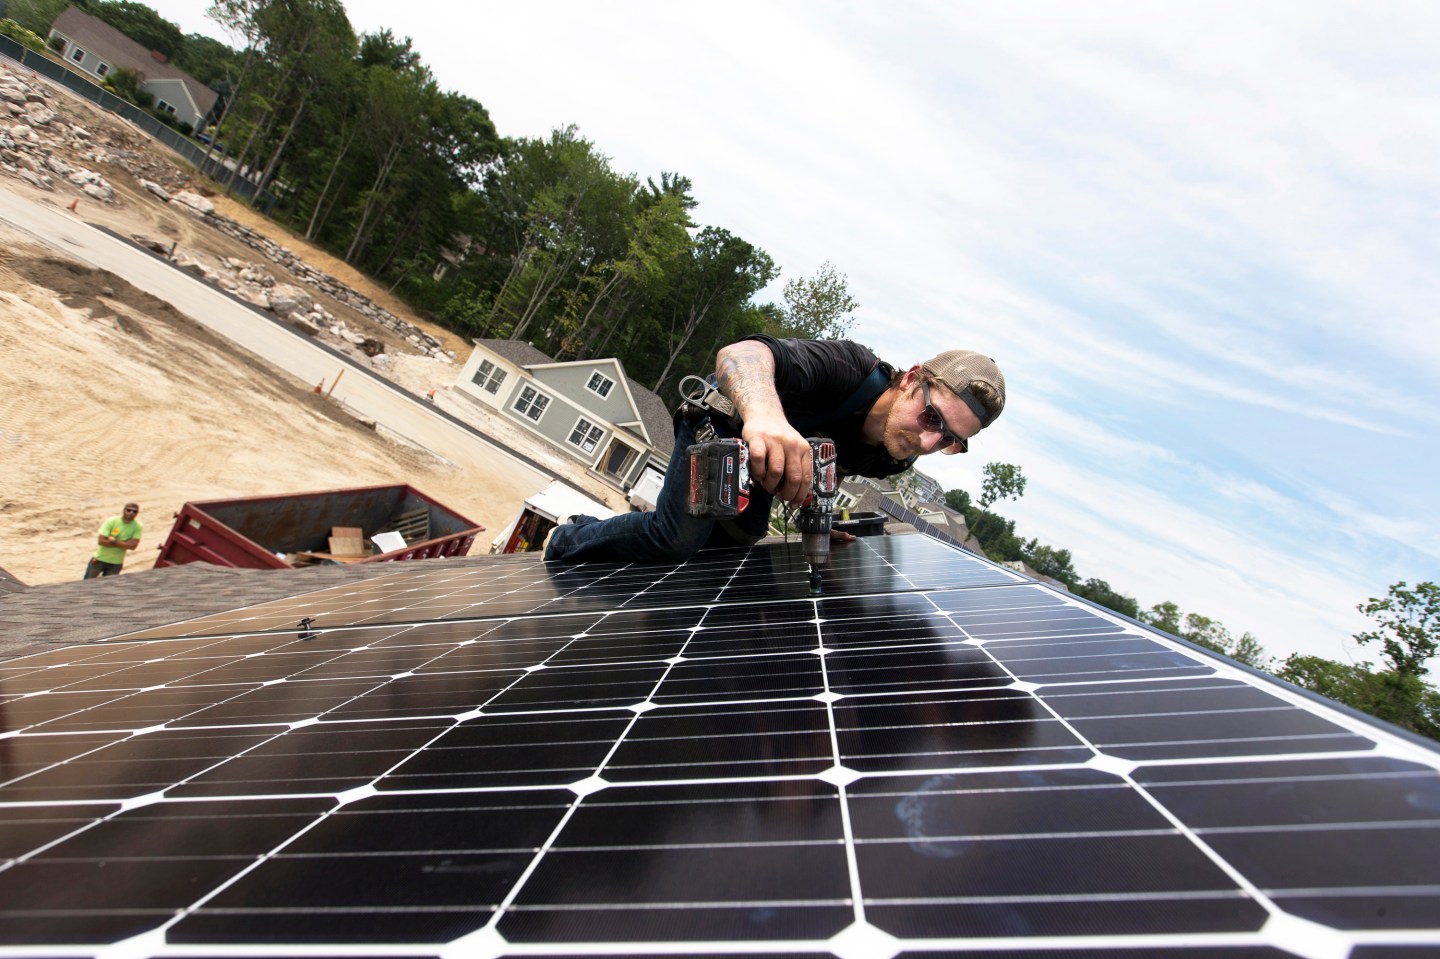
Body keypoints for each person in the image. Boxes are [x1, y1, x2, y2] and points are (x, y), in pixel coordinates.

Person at [544, 334, 1006, 565]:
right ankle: (567, 538)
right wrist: (764, 415)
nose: (928, 442)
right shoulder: (849, 368)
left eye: (949, 440)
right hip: (721, 426)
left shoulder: (893, 455)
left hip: (765, 464)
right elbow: (740, 354)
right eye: (932, 418)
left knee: (740, 541)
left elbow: (827, 467)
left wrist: (815, 518)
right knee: (677, 538)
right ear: (911, 379)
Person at [83, 502, 143, 579]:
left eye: (134, 511)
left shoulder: (138, 526)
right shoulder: (112, 521)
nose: (131, 513)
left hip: (116, 563)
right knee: (87, 583)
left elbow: (133, 546)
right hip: (99, 559)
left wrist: (114, 541)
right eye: (129, 510)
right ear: (124, 510)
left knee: (109, 585)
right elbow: (101, 541)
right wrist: (124, 543)